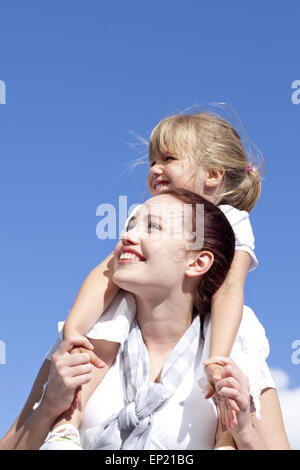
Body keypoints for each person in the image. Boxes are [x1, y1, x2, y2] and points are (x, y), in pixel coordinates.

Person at [0, 191, 289, 449]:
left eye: (152, 226)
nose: (126, 236)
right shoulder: (82, 343)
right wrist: (50, 404)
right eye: (129, 225)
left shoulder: (236, 358)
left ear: (197, 263)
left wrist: (244, 433)